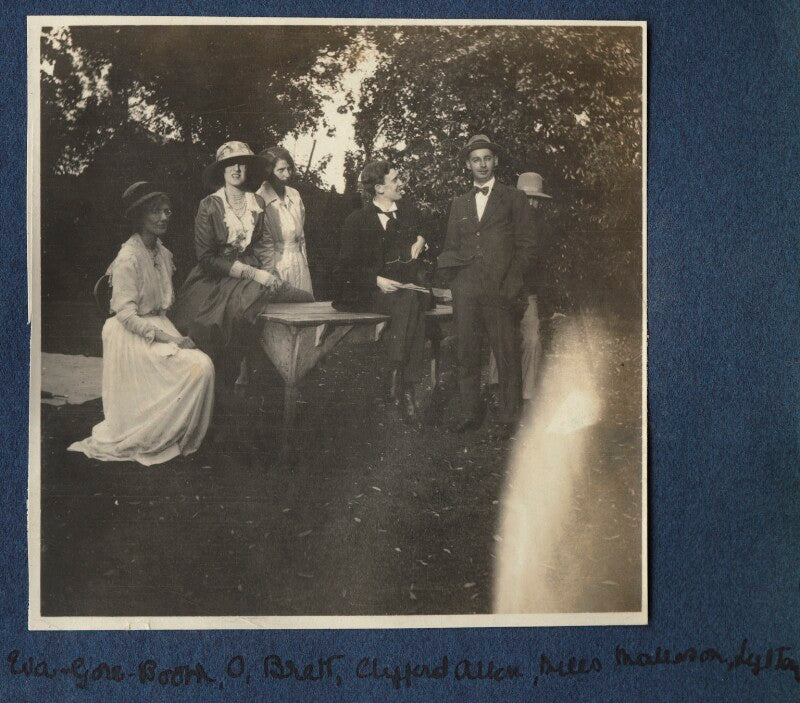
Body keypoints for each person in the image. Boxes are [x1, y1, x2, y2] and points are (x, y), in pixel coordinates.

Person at [69, 182, 215, 465]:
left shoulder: (163, 252)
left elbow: (165, 301)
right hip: (129, 334)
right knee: (199, 367)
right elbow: (125, 314)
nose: (163, 217)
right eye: (154, 212)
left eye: (166, 211)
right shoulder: (128, 257)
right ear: (139, 217)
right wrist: (170, 340)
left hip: (158, 325)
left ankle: (172, 433)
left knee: (202, 365)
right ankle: (152, 434)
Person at [171, 141, 311, 383]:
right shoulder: (209, 205)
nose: (236, 169)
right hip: (215, 276)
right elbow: (206, 258)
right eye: (229, 165)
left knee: (299, 299)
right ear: (221, 171)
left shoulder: (256, 203)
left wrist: (265, 272)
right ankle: (216, 383)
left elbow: (259, 245)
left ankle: (265, 377)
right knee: (214, 325)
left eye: (242, 164)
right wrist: (253, 274)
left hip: (250, 272)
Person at [438, 134, 535, 437]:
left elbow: (527, 245)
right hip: (466, 289)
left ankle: (510, 417)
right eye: (475, 159)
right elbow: (451, 245)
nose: (482, 164)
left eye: (487, 158)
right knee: (466, 351)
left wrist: (512, 282)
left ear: (496, 161)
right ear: (468, 165)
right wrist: (455, 281)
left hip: (501, 288)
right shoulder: (459, 203)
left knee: (505, 352)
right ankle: (470, 412)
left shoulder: (513, 197)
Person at [333, 160, 429, 423]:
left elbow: (427, 231)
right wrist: (377, 280)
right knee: (413, 304)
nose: (401, 183)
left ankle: (397, 376)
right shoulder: (357, 220)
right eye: (395, 179)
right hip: (369, 291)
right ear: (378, 188)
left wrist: (422, 240)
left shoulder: (408, 212)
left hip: (405, 289)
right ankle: (404, 384)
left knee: (412, 300)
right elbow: (345, 267)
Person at [487, 171, 550, 402]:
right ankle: (495, 388)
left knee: (533, 338)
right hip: (504, 291)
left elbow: (541, 269)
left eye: (537, 200)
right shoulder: (503, 223)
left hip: (528, 294)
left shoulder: (543, 230)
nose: (532, 204)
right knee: (501, 336)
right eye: (527, 198)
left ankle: (528, 395)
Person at [256, 146, 314, 298]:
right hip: (276, 266)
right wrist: (269, 276)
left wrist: (304, 262)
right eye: (281, 170)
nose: (287, 174)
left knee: (305, 308)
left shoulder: (294, 195)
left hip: (299, 263)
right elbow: (263, 244)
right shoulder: (260, 199)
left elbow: (301, 236)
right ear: (268, 172)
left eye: (289, 169)